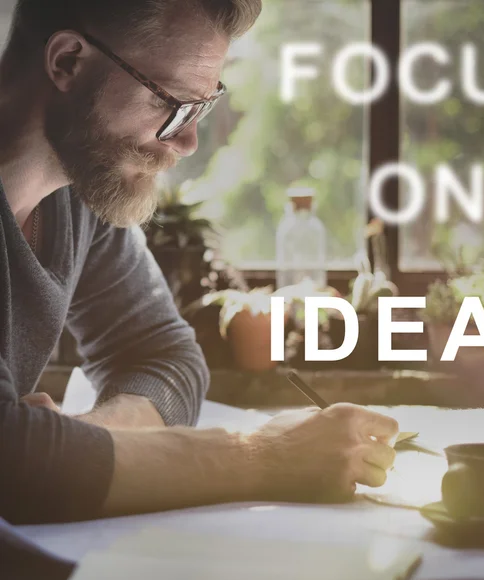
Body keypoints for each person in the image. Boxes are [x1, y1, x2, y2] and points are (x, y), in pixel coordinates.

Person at [0, 0, 399, 525]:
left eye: (201, 108)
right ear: (68, 62)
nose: (187, 141)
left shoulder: (78, 192)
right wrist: (265, 457)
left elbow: (166, 358)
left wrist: (74, 448)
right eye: (172, 103)